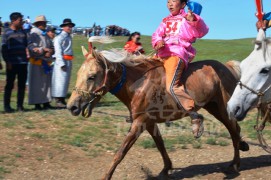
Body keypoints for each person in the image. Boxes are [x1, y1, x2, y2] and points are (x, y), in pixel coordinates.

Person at [152, 0, 209, 138]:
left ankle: (193, 114)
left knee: (172, 86)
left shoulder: (188, 18)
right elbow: (156, 34)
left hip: (176, 53)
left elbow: (202, 31)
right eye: (168, 1)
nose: (170, 4)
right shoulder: (165, 20)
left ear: (183, 5)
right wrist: (158, 41)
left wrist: (194, 20)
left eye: (174, 1)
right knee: (143, 75)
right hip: (160, 54)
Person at [2, 12, 28, 112]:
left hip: (23, 63)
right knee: (9, 85)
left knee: (22, 85)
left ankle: (20, 106)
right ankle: (7, 106)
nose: (22, 22)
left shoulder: (23, 32)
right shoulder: (6, 32)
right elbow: (3, 49)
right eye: (20, 20)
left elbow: (27, 45)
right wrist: (7, 61)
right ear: (13, 21)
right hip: (12, 63)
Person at [27, 15, 55, 110]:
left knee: (46, 84)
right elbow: (31, 47)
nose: (45, 24)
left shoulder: (45, 35)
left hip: (46, 63)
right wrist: (44, 51)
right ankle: (37, 103)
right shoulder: (33, 34)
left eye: (45, 23)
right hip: (36, 63)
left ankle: (46, 102)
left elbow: (52, 47)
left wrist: (50, 51)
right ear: (39, 24)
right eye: (43, 23)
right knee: (37, 84)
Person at [52, 18, 75, 108]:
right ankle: (58, 100)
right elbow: (58, 51)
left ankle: (62, 99)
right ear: (63, 27)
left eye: (70, 26)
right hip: (62, 60)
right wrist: (61, 63)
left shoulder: (69, 37)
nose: (69, 28)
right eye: (68, 26)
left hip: (68, 60)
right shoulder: (59, 38)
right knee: (60, 81)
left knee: (65, 81)